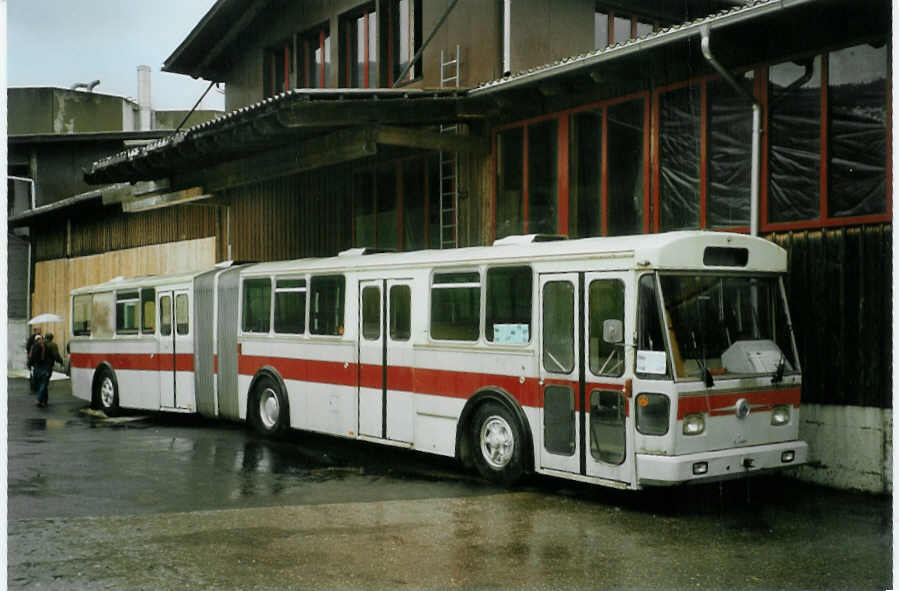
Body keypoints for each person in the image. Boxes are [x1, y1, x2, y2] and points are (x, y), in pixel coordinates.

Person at [34, 333, 63, 408]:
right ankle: (39, 399)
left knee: (42, 383)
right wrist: (61, 361)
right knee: (44, 383)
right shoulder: (52, 345)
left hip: (38, 365)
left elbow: (33, 354)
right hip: (47, 366)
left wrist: (30, 364)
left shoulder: (38, 343)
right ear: (52, 338)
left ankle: (45, 400)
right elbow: (56, 355)